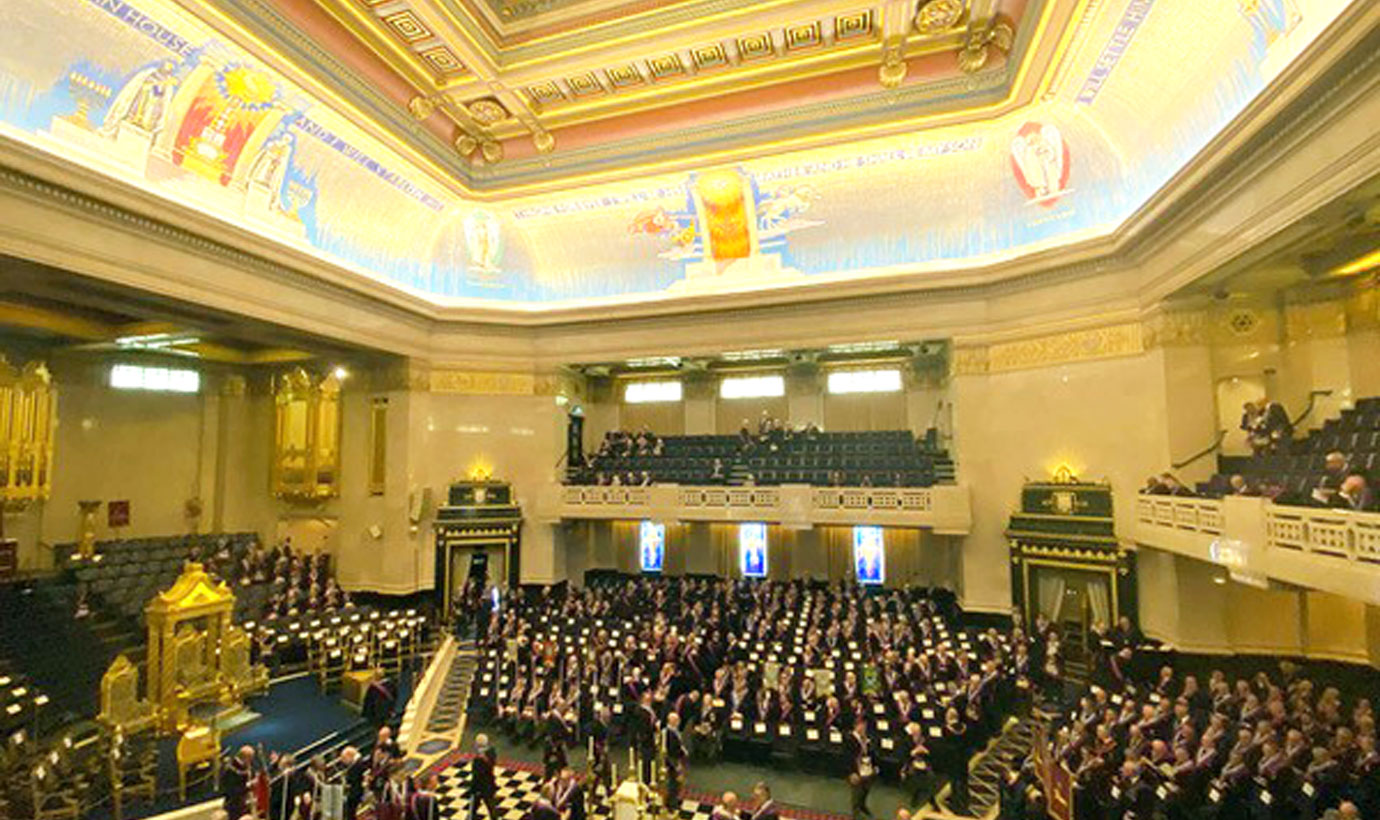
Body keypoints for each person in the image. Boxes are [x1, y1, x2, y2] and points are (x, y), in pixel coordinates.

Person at [471, 734, 499, 820]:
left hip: (481, 786)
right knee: (491, 808)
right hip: (489, 784)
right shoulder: (492, 752)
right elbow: (492, 763)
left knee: (474, 808)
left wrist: (473, 788)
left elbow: (476, 774)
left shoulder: (478, 760)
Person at [664, 711, 688, 811]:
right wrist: (677, 764)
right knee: (673, 782)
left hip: (677, 760)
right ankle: (671, 803)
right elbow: (672, 751)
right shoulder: (669, 733)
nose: (679, 721)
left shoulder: (674, 731)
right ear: (672, 721)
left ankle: (674, 799)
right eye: (677, 720)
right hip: (673, 762)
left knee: (677, 783)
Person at [223, 746, 255, 820]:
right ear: (246, 757)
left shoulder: (244, 766)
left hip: (243, 804)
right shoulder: (231, 769)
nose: (251, 761)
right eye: (250, 759)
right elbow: (233, 790)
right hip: (234, 806)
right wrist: (249, 786)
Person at [340, 747, 368, 820]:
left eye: (344, 758)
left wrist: (347, 781)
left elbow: (356, 778)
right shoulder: (356, 763)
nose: (343, 761)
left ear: (350, 755)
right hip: (355, 792)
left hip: (357, 793)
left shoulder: (359, 763)